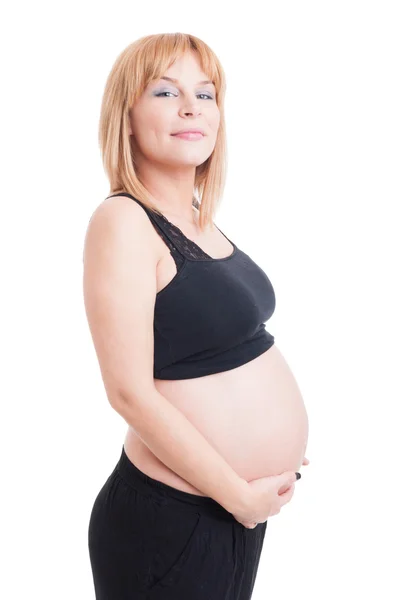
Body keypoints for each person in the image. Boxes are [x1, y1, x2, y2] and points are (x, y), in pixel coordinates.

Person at [84, 32, 310, 600]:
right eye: (165, 92)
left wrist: (261, 453)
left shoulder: (195, 219)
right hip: (173, 521)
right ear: (127, 118)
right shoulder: (123, 221)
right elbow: (128, 393)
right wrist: (238, 493)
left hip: (229, 511)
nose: (191, 108)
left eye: (206, 95)